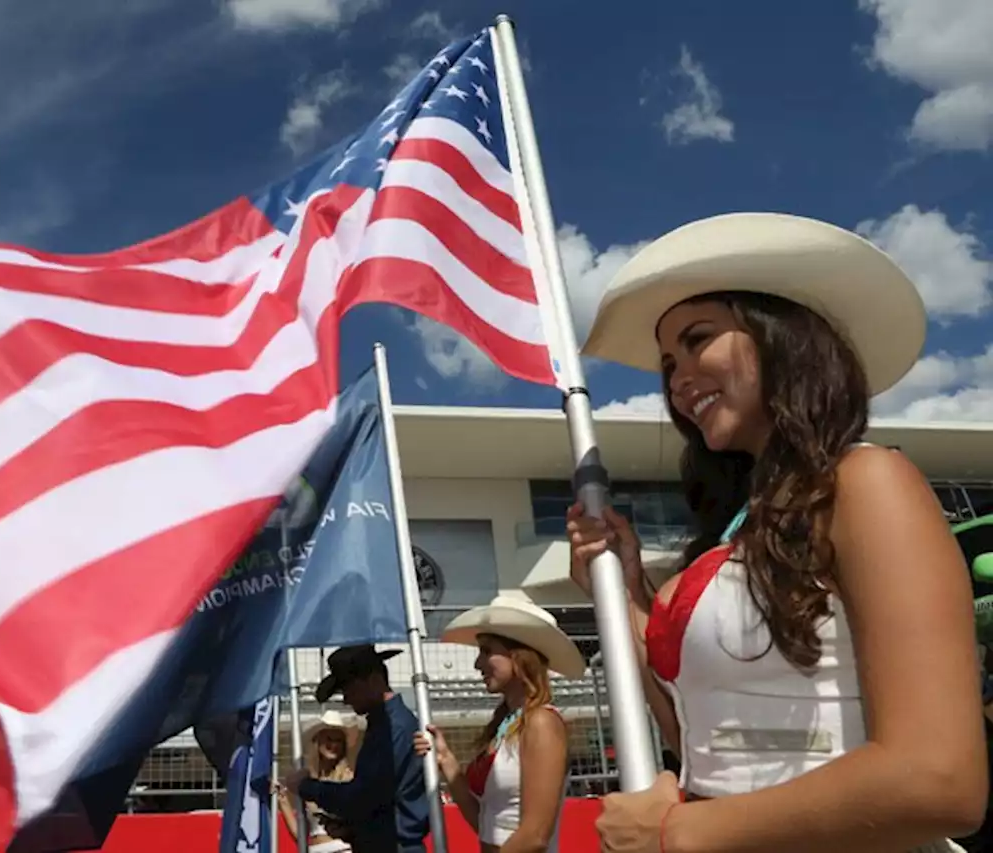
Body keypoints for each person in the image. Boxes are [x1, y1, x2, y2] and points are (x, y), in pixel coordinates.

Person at [568, 212, 987, 852]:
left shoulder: (867, 481)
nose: (678, 379)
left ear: (779, 337)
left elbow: (939, 780)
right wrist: (624, 592)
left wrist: (677, 830)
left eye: (698, 339)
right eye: (667, 363)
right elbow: (707, 737)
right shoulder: (737, 531)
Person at [412, 595, 586, 852]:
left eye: (487, 651)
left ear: (519, 656)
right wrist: (446, 760)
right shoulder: (508, 725)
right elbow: (487, 822)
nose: (477, 664)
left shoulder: (542, 723)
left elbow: (535, 835)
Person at [284, 644, 429, 853]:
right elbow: (380, 800)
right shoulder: (386, 725)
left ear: (373, 680)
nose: (346, 698)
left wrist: (306, 786)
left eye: (348, 688)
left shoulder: (392, 727)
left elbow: (363, 797)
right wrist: (354, 829)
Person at [278, 710, 363, 853]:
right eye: (329, 739)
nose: (334, 745)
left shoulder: (349, 778)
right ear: (318, 742)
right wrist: (283, 802)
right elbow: (301, 834)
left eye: (338, 741)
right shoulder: (309, 782)